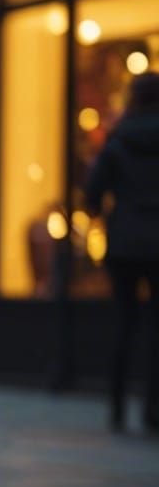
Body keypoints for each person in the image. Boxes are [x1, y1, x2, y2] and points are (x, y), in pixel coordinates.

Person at [83, 72, 159, 432]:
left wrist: (107, 212)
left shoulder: (118, 141)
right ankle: (152, 408)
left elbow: (92, 195)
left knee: (125, 324)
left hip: (125, 240)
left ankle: (116, 405)